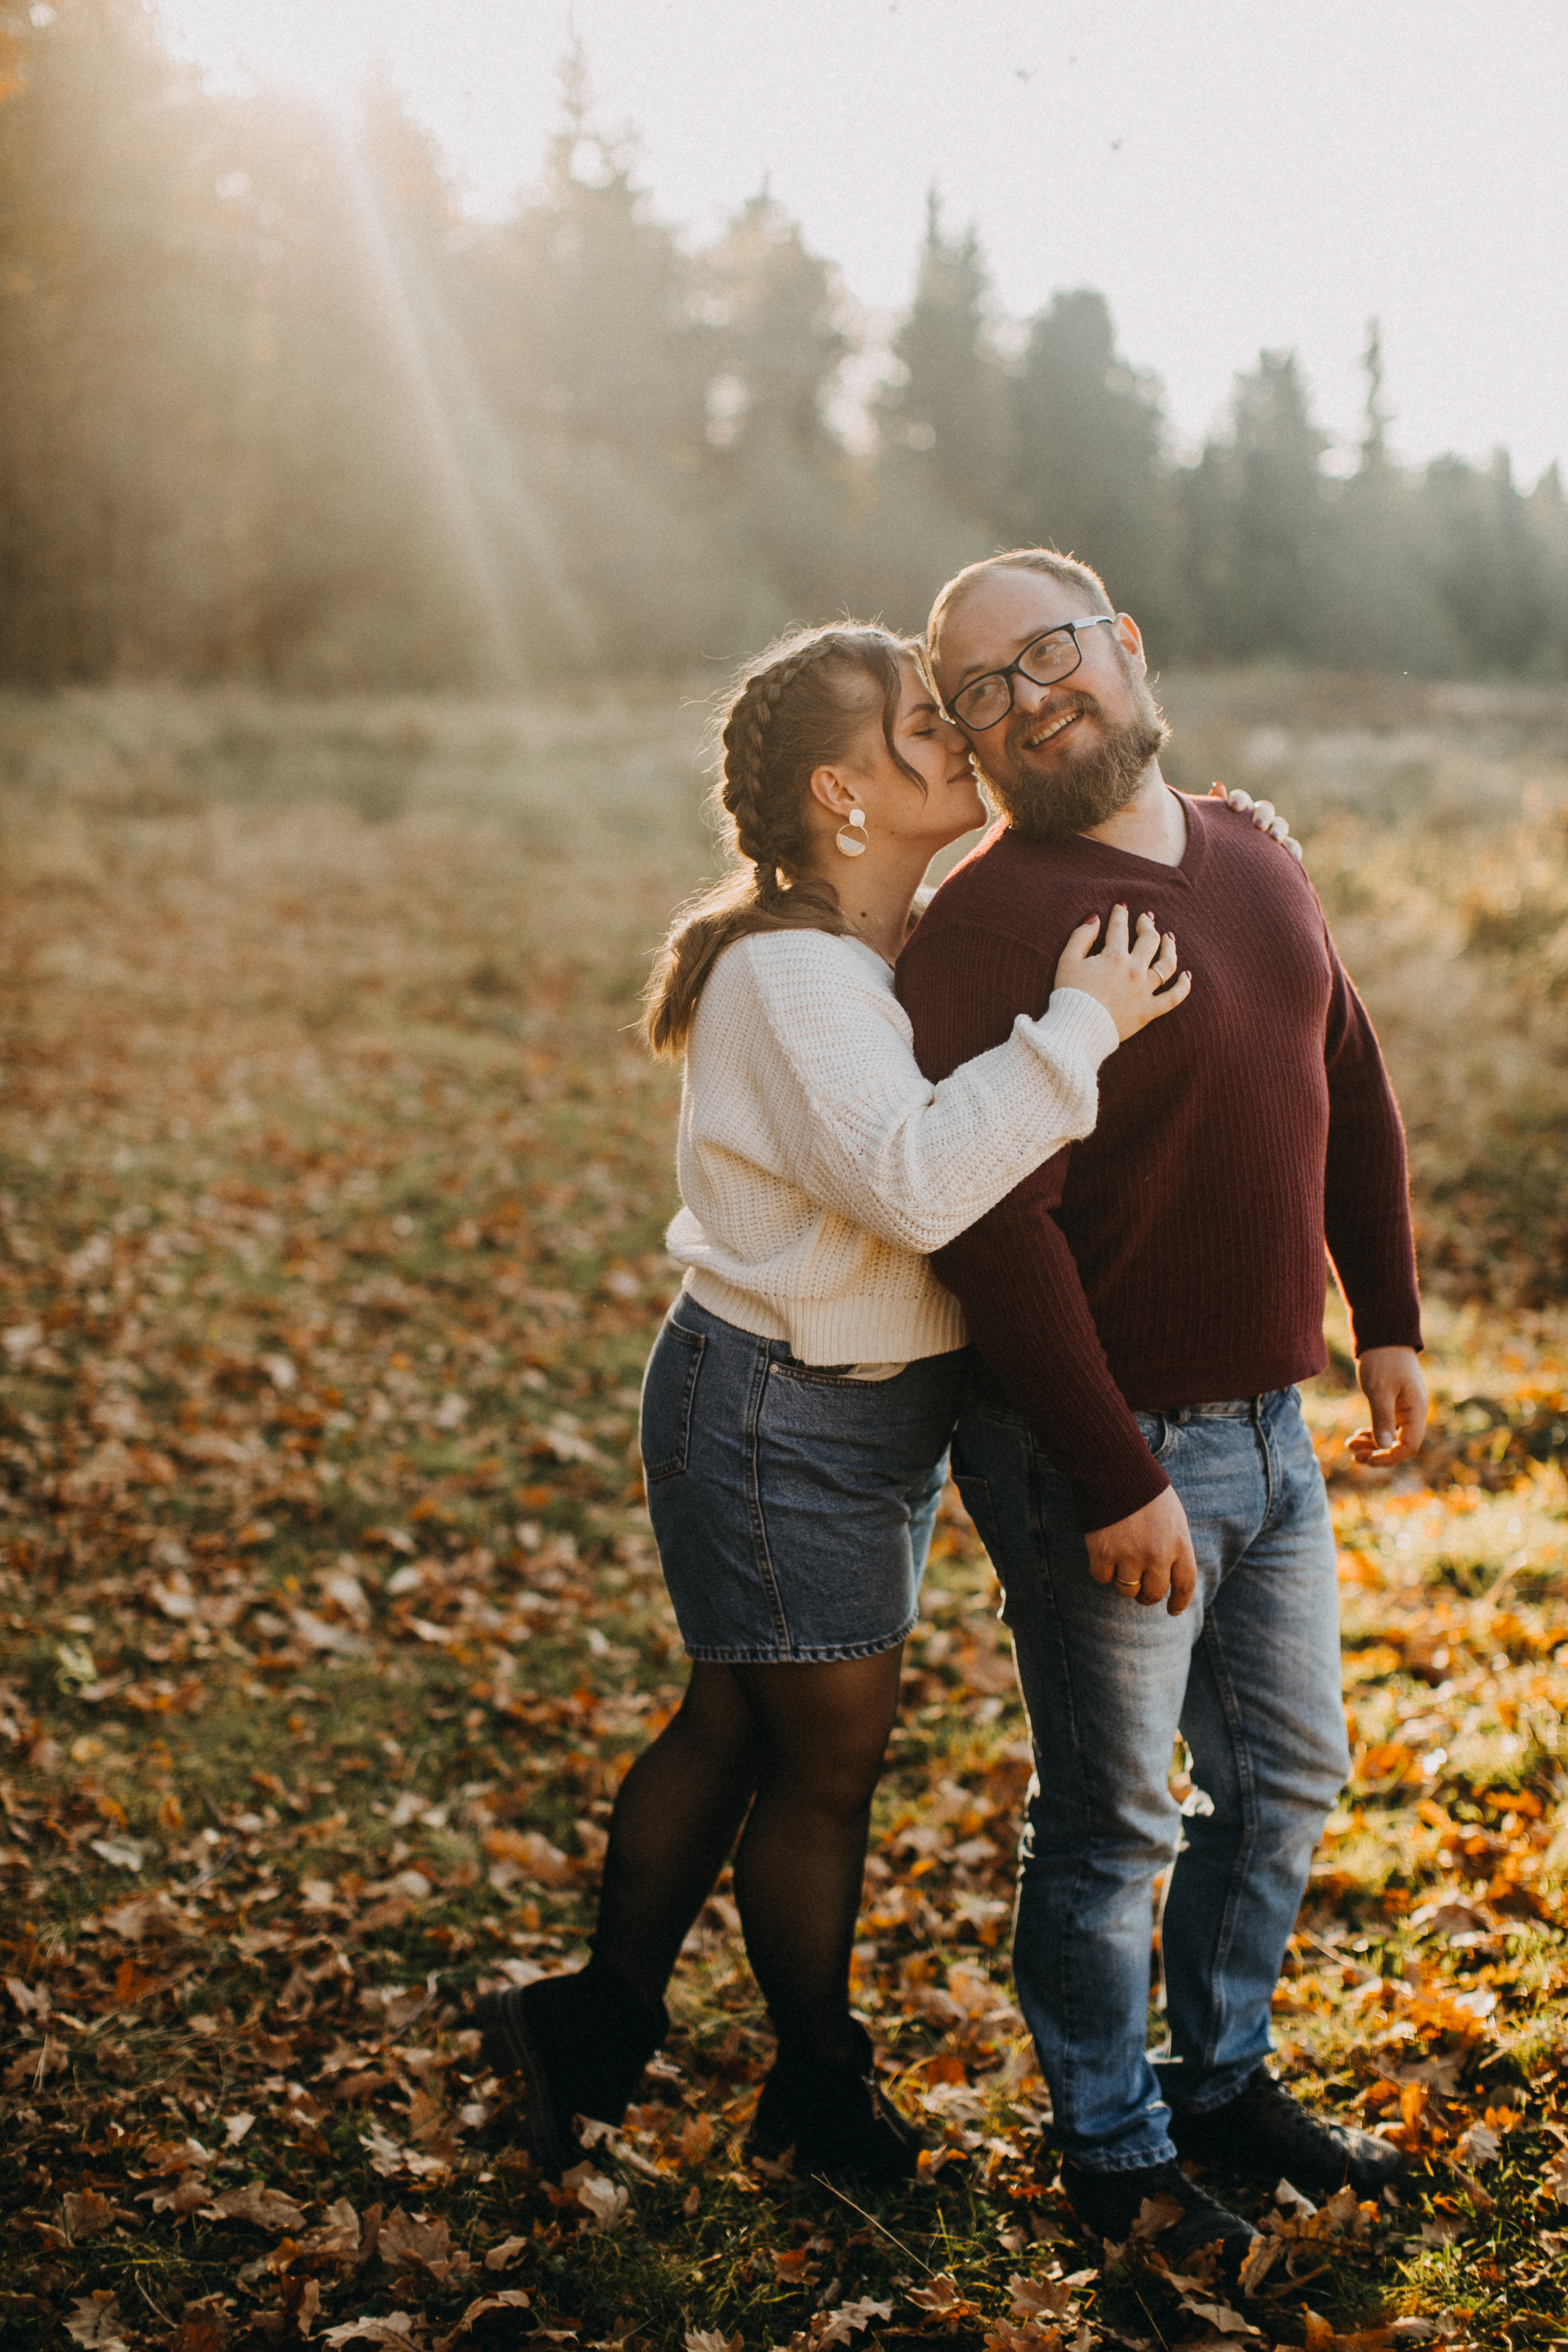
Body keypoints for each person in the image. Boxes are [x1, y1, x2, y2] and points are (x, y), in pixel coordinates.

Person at [475, 621, 1284, 2182]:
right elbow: (917, 1183)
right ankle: (819, 2093)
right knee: (820, 1761)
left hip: (841, 1406)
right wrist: (1080, 1030)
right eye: (927, 724)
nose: (961, 740)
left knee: (736, 1716)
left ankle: (593, 2018)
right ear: (845, 793)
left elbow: (1057, 885)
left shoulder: (872, 933)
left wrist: (1229, 842)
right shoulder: (788, 978)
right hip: (777, 1413)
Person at [899, 548, 1427, 2273]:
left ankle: (1222, 2085)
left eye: (1050, 651)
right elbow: (992, 1219)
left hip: (1274, 1432)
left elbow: (1340, 1066)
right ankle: (1112, 2147)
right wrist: (1111, 1466)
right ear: (967, 733)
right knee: (1118, 1820)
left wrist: (1389, 1314)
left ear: (1124, 649)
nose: (1029, 694)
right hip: (1098, 1454)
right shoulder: (981, 920)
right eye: (982, 686)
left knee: (1283, 1784)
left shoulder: (1254, 848)